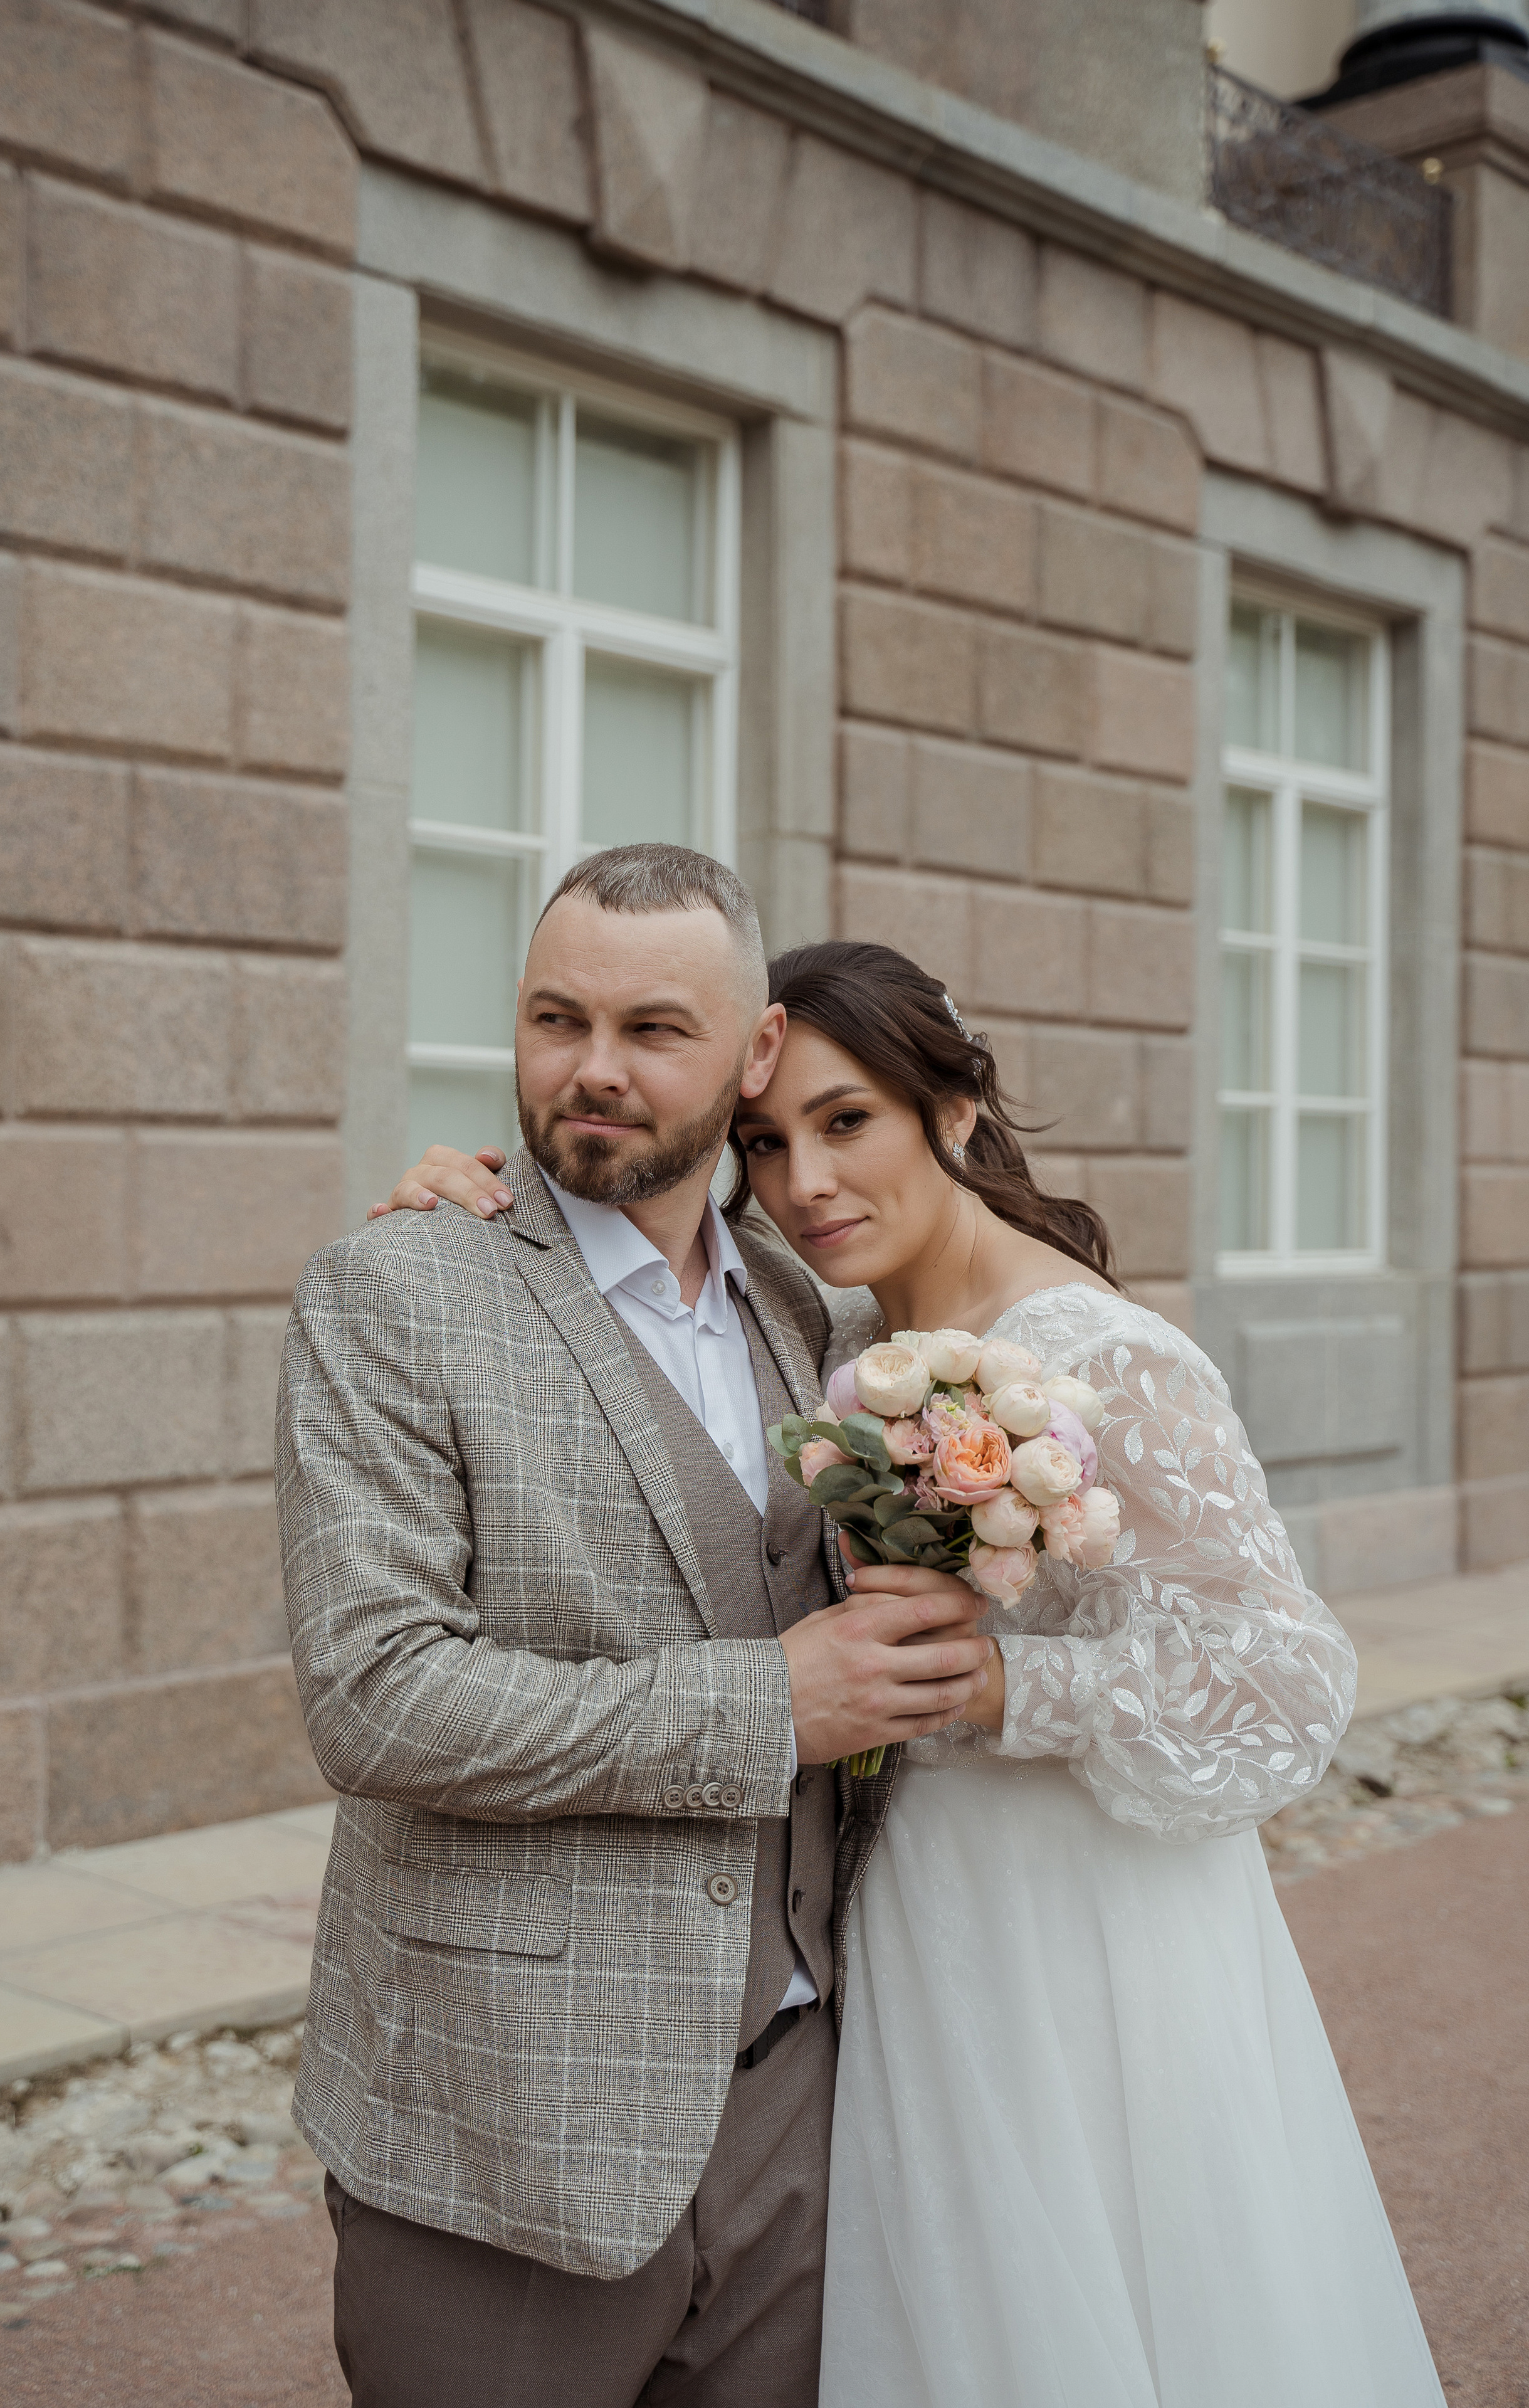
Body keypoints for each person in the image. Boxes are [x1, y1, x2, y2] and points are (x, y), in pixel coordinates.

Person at [386, 936, 1446, 2408]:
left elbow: (1285, 1677)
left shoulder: (1099, 1354)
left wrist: (1009, 1694)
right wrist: (477, 1200)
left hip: (1075, 1925)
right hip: (894, 1924)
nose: (804, 1181)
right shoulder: (825, 1326)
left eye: (845, 1123)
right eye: (765, 1142)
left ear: (951, 1112)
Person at [276, 849, 994, 2408]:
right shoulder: (394, 1291)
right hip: (504, 2127)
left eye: (654, 1029)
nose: (591, 1070)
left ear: (749, 1058)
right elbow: (378, 1699)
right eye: (554, 1018)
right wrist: (767, 1709)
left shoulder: (816, 1316)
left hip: (800, 2111)